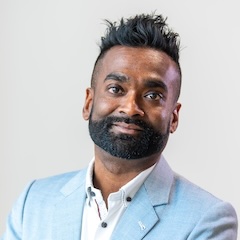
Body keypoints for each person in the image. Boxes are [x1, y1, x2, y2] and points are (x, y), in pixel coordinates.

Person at [1, 13, 238, 240]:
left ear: (174, 117)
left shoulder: (206, 219)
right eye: (116, 89)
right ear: (88, 103)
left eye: (153, 95)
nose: (130, 107)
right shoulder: (33, 201)